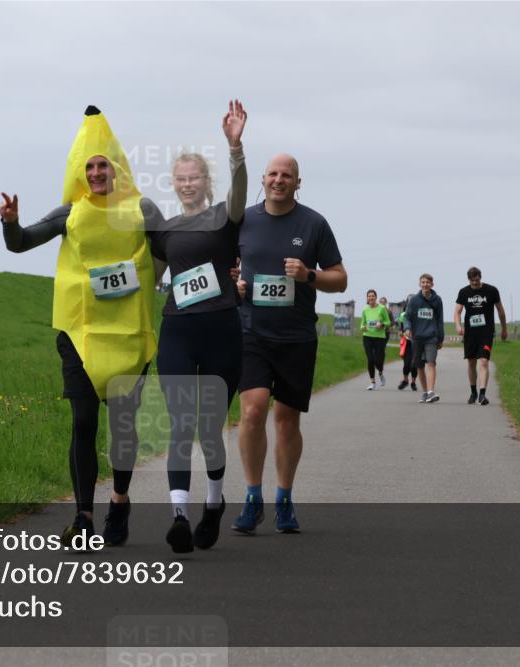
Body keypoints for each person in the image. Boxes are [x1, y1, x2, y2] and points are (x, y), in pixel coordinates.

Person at [0, 106, 164, 547]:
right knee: (83, 422)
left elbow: (174, 246)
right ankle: (83, 517)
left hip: (128, 335)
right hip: (79, 333)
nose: (95, 172)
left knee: (123, 427)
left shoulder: (142, 209)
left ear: (117, 170)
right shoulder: (69, 212)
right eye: (88, 166)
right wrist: (10, 222)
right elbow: (20, 244)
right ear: (79, 171)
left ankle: (121, 500)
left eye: (102, 166)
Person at [233, 154, 347, 534]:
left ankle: (283, 497)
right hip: (251, 331)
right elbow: (227, 264)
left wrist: (309, 274)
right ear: (262, 179)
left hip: (296, 335)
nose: (279, 180)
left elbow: (341, 279)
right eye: (273, 174)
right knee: (252, 412)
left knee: (285, 421)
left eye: (287, 176)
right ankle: (252, 497)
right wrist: (236, 284)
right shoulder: (244, 220)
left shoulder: (313, 224)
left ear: (298, 183)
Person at [154, 100, 247, 553]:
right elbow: (147, 280)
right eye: (181, 179)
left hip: (222, 332)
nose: (187, 184)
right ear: (174, 184)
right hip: (176, 330)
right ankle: (177, 513)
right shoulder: (165, 230)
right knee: (179, 424)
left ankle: (213, 503)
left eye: (194, 177)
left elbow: (242, 191)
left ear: (206, 183)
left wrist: (235, 149)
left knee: (210, 428)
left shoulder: (225, 218)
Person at [454, 266, 507, 405]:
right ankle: (473, 392)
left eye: (477, 280)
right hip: (470, 332)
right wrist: (458, 326)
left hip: (486, 331)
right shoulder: (464, 292)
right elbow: (458, 311)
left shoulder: (491, 290)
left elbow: (500, 310)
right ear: (469, 280)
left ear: (480, 277)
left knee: (483, 361)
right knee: (471, 362)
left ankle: (482, 395)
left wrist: (504, 329)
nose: (475, 283)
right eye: (472, 281)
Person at [404, 274, 444, 404]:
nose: (425, 284)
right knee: (419, 366)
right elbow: (407, 317)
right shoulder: (414, 300)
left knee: (431, 363)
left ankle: (431, 392)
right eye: (423, 282)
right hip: (417, 338)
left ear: (432, 284)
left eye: (428, 282)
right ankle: (425, 392)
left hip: (431, 337)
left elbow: (439, 320)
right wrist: (407, 328)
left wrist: (440, 338)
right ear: (419, 284)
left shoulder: (437, 300)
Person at [360, 289, 390, 390]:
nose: (371, 298)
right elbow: (362, 323)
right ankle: (373, 382)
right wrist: (362, 327)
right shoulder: (365, 309)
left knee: (378, 360)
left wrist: (381, 324)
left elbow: (388, 322)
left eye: (373, 296)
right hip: (367, 336)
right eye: (369, 296)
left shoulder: (382, 308)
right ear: (367, 298)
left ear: (376, 297)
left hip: (379, 337)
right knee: (370, 359)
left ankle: (380, 372)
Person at [396, 299, 418, 391]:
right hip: (407, 342)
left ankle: (413, 382)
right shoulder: (403, 315)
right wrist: (400, 331)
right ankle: (405, 380)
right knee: (407, 363)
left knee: (414, 364)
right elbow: (401, 326)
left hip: (417, 342)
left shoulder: (418, 313)